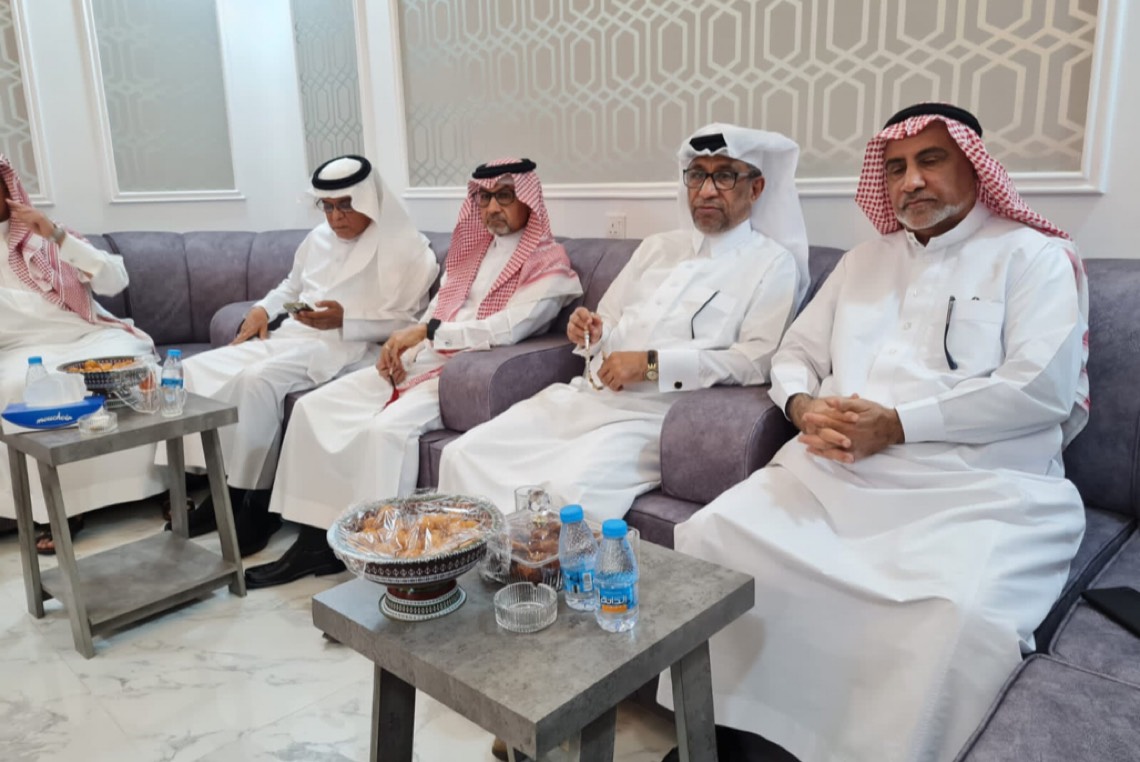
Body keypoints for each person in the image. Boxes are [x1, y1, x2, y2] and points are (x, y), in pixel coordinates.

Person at [657, 103, 1091, 762]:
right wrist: (801, 404)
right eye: (895, 167)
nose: (910, 181)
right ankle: (718, 737)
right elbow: (794, 354)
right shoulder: (863, 261)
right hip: (829, 473)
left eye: (930, 160)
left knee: (958, 617)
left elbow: (1042, 389)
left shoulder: (1034, 256)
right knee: (713, 535)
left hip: (978, 490)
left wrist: (897, 425)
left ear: (976, 166)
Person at [437, 124, 809, 523]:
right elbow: (609, 318)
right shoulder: (656, 247)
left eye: (725, 176)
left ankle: (530, 565)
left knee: (566, 495)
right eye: (697, 175)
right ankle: (469, 560)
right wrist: (591, 331)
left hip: (654, 417)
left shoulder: (772, 264)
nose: (706, 190)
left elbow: (755, 361)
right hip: (586, 397)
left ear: (755, 188)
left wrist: (652, 365)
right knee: (464, 453)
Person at [244, 158, 582, 588]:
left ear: (529, 201)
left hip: (463, 373)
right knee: (315, 408)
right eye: (484, 198)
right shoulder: (471, 250)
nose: (493, 207)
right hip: (423, 357)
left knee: (383, 431)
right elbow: (435, 310)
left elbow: (510, 327)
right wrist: (403, 344)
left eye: (504, 196)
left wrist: (428, 333)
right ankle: (313, 540)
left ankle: (379, 561)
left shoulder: (549, 262)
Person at [159, 155, 439, 555]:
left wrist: (347, 320)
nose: (336, 217)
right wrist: (262, 309)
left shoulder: (408, 250)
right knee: (189, 370)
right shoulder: (318, 239)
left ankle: (252, 504)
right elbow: (290, 287)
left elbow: (410, 323)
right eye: (328, 207)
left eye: (346, 205)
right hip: (293, 336)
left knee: (256, 381)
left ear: (369, 200)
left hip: (351, 347)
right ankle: (217, 487)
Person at [0, 155, 162, 553]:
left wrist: (56, 236)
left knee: (140, 372)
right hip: (24, 352)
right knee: (19, 388)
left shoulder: (44, 236)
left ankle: (164, 486)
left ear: (8, 187)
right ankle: (61, 509)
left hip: (92, 337)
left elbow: (114, 281)